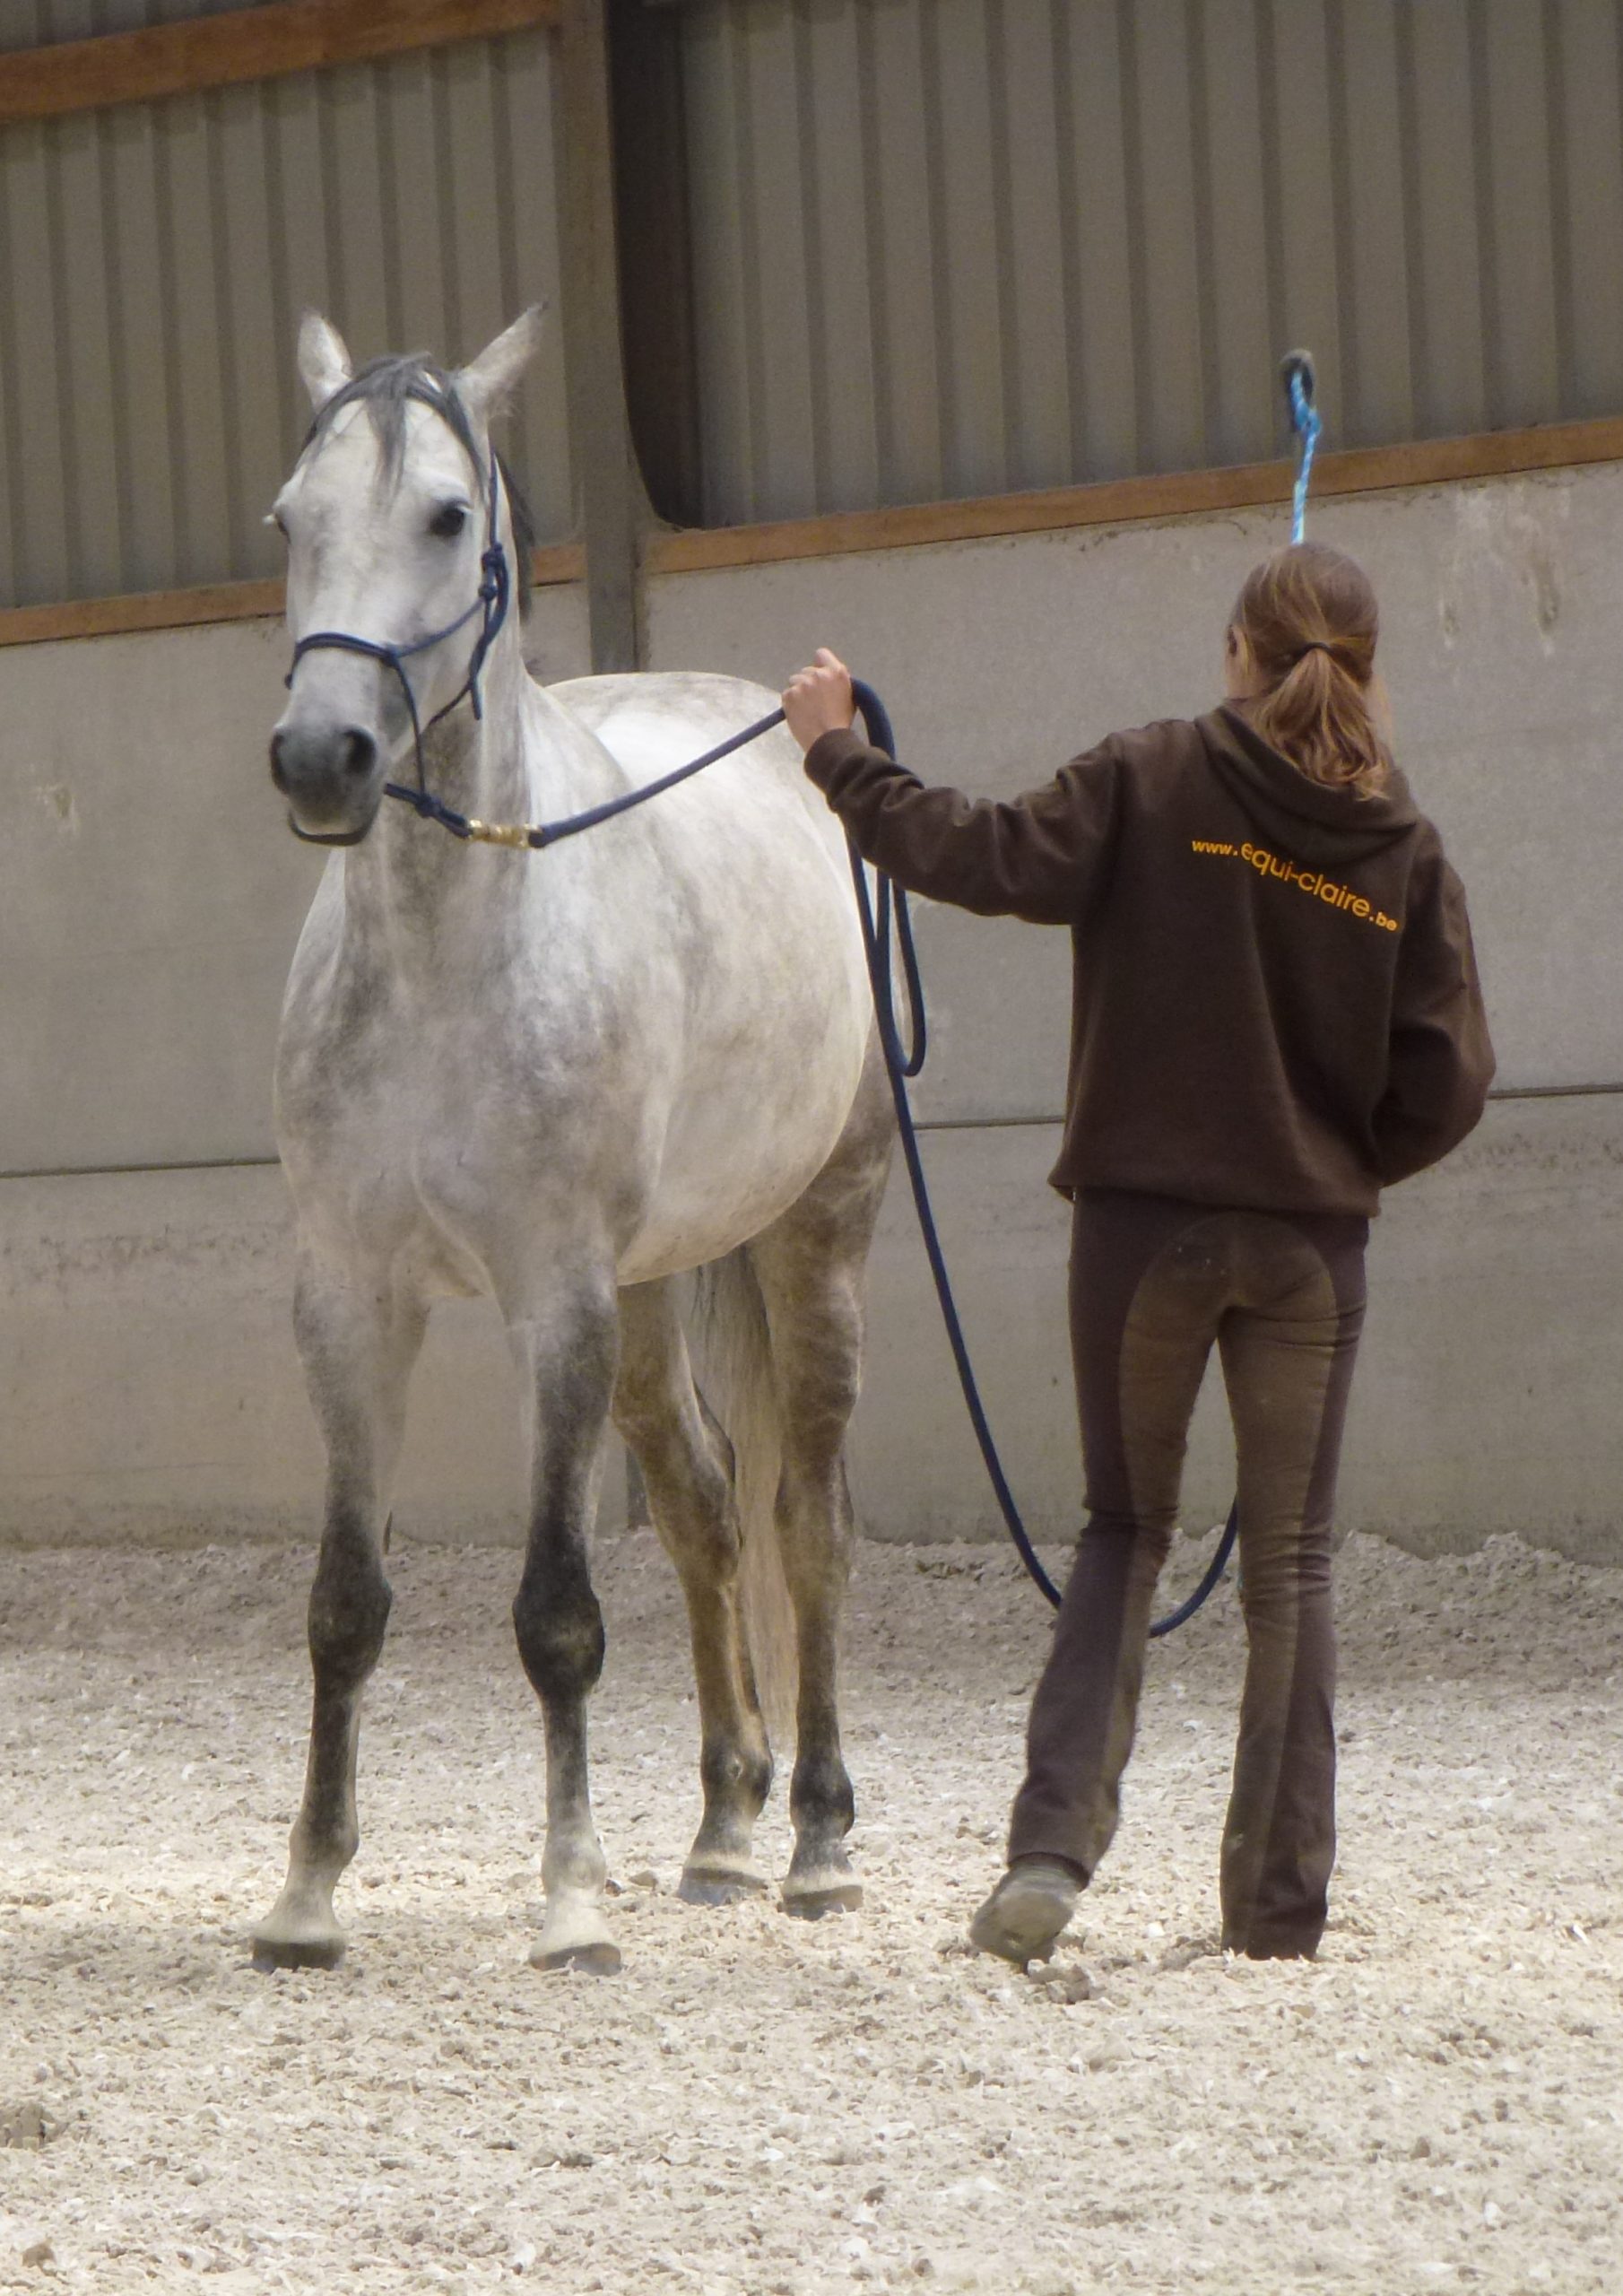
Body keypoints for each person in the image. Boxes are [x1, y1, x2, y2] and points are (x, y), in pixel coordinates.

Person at [780, 542, 1494, 1967]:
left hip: (1141, 1234)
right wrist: (1341, 1168)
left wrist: (838, 755)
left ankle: (1048, 1857)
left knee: (1121, 1532)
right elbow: (1451, 1077)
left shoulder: (1148, 774)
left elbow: (974, 853)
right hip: (1307, 1253)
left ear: (1235, 649)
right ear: (1364, 671)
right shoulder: (1401, 849)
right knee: (1289, 1566)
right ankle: (1278, 1913)